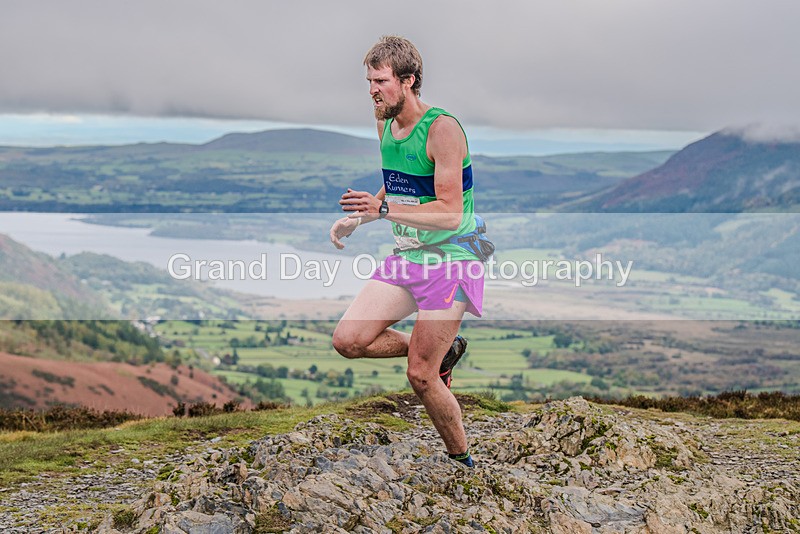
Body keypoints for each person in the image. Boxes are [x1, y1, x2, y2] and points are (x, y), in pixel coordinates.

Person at [329, 35, 485, 468]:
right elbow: (398, 181)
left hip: (452, 257)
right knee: (348, 340)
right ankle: (442, 351)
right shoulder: (384, 121)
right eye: (369, 81)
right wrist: (360, 217)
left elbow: (452, 213)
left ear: (409, 80)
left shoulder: (443, 130)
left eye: (380, 81)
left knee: (420, 374)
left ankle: (461, 461)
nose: (373, 90)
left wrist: (380, 210)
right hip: (408, 254)